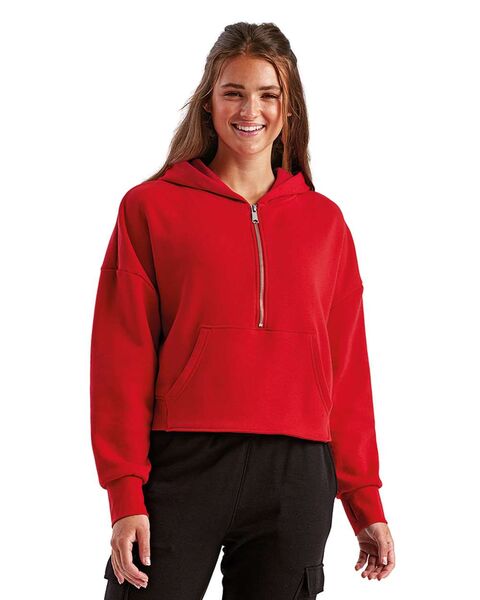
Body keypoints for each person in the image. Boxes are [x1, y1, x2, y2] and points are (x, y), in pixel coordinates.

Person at [90, 21, 395, 599]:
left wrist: (364, 500)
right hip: (182, 464)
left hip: (296, 474)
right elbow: (121, 357)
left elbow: (348, 372)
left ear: (288, 106)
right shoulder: (150, 208)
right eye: (233, 92)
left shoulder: (325, 223)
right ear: (208, 102)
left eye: (267, 94)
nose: (250, 110)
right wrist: (125, 493)